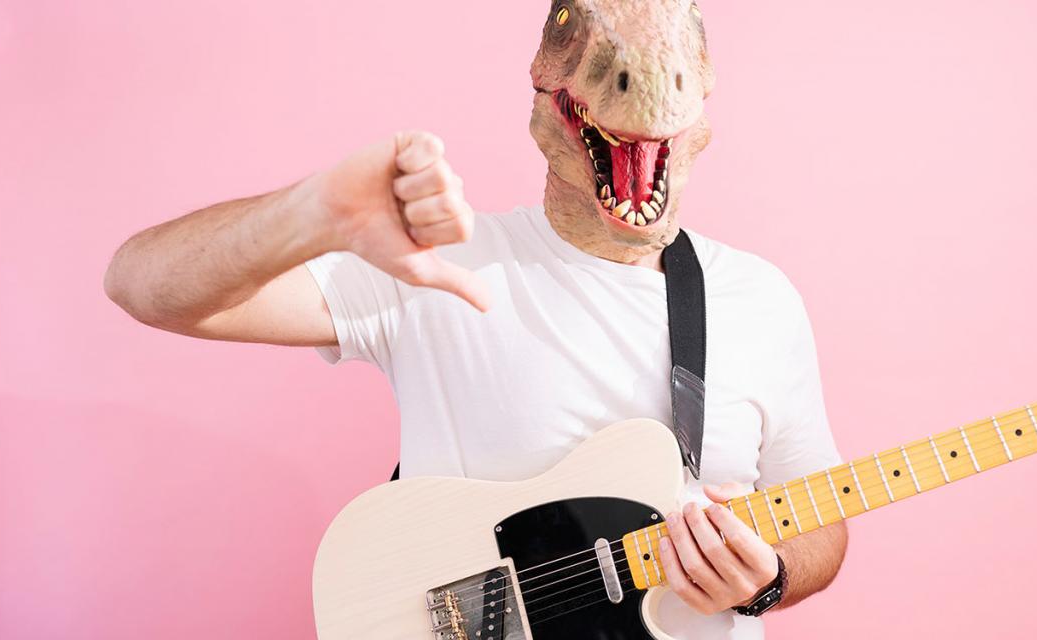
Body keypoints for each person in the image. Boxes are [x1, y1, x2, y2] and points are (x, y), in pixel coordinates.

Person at [104, 2, 848, 637]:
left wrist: (769, 579)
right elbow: (141, 284)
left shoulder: (760, 296)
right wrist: (308, 215)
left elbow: (822, 516)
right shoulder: (440, 262)